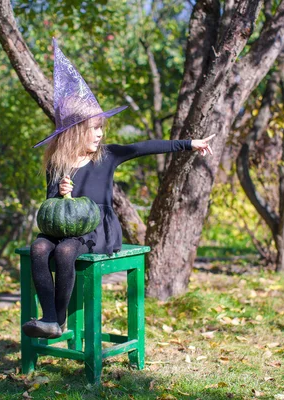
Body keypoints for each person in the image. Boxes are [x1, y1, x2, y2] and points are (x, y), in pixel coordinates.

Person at [22, 38, 215, 339]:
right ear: (74, 133)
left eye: (101, 128)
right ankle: (48, 316)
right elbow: (50, 210)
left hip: (97, 229)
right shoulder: (55, 163)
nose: (99, 134)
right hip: (62, 227)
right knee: (39, 247)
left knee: (66, 252)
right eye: (93, 129)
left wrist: (189, 143)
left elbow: (144, 147)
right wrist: (59, 191)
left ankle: (57, 321)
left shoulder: (107, 156)